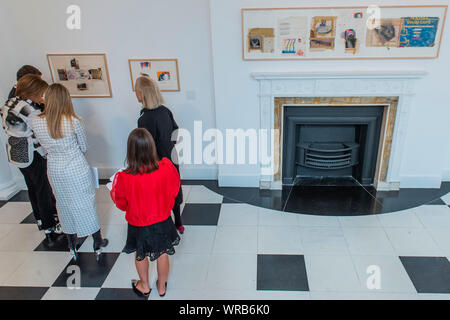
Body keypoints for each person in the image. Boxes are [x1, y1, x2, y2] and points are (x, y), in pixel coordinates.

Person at [32, 84, 108, 259]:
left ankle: (71, 243)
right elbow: (82, 146)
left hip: (54, 168)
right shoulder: (74, 121)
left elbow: (41, 149)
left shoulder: (37, 121)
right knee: (86, 203)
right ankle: (97, 241)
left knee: (63, 204)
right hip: (75, 168)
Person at [110, 128, 180, 297]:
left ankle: (144, 285)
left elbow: (121, 203)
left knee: (140, 254)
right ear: (151, 147)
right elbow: (174, 189)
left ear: (130, 151)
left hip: (138, 223)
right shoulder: (166, 167)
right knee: (163, 252)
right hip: (162, 219)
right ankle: (162, 286)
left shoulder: (124, 177)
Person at [1, 74, 61, 241]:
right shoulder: (27, 109)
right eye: (40, 93)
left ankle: (41, 219)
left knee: (32, 187)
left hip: (16, 152)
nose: (42, 96)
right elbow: (42, 127)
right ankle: (50, 225)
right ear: (32, 92)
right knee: (43, 189)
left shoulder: (9, 103)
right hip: (31, 153)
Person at [135, 75, 184, 234]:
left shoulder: (144, 119)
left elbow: (145, 145)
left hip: (156, 162)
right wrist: (171, 147)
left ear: (142, 93)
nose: (135, 94)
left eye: (136, 91)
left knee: (160, 194)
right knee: (174, 189)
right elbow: (176, 131)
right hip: (171, 157)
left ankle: (166, 226)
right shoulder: (165, 111)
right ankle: (179, 223)